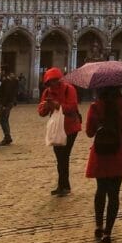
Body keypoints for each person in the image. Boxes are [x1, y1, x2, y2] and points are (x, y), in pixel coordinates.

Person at [84, 85, 122, 243]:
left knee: (101, 189)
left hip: (100, 153)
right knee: (114, 193)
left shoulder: (95, 107)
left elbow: (89, 132)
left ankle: (98, 225)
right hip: (118, 153)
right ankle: (108, 232)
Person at [37, 67, 81, 197]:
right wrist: (45, 107)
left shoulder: (69, 89)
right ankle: (63, 185)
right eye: (50, 82)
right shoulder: (47, 93)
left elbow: (72, 107)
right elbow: (41, 112)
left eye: (55, 80)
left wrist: (57, 105)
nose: (53, 84)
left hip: (70, 127)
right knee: (60, 157)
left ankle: (63, 185)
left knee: (64, 156)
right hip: (56, 129)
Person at [0, 69, 19, 145]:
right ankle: (7, 136)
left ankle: (7, 137)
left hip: (6, 103)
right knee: (5, 120)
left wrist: (4, 105)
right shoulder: (13, 81)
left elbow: (6, 93)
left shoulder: (6, 82)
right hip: (10, 103)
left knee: (3, 120)